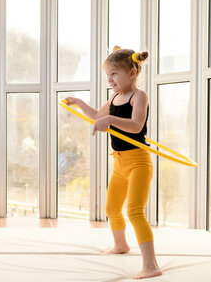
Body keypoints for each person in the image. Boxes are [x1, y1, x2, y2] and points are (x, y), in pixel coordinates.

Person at [65, 46, 161, 279]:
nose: (109, 79)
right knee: (111, 208)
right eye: (108, 74)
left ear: (132, 72)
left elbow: (136, 125)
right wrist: (79, 103)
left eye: (114, 74)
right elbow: (98, 116)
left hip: (138, 161)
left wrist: (110, 119)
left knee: (135, 211)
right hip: (119, 162)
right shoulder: (115, 97)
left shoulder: (140, 96)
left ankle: (151, 265)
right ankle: (120, 245)